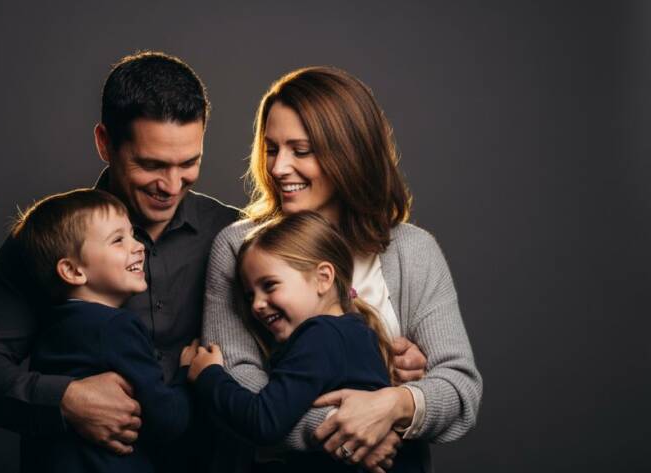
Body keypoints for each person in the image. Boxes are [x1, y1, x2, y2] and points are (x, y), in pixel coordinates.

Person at [0, 51, 238, 470]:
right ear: (105, 143)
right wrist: (66, 400)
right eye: (151, 164)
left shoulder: (232, 234)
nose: (172, 185)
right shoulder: (53, 239)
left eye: (189, 163)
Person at [202, 66, 482, 472]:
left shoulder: (413, 251)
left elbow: (460, 390)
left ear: (349, 153)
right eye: (271, 148)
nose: (279, 168)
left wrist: (394, 405)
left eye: (301, 150)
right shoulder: (238, 247)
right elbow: (238, 378)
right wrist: (351, 430)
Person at [189, 211, 423, 473]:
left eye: (269, 285)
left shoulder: (319, 337)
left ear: (323, 278)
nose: (256, 305)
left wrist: (208, 375)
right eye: (249, 295)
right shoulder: (354, 331)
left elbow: (264, 421)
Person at [12, 188, 198, 472]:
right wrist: (189, 373)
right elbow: (168, 420)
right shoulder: (116, 327)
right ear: (73, 271)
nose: (139, 246)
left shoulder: (54, 324)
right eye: (117, 241)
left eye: (132, 234)